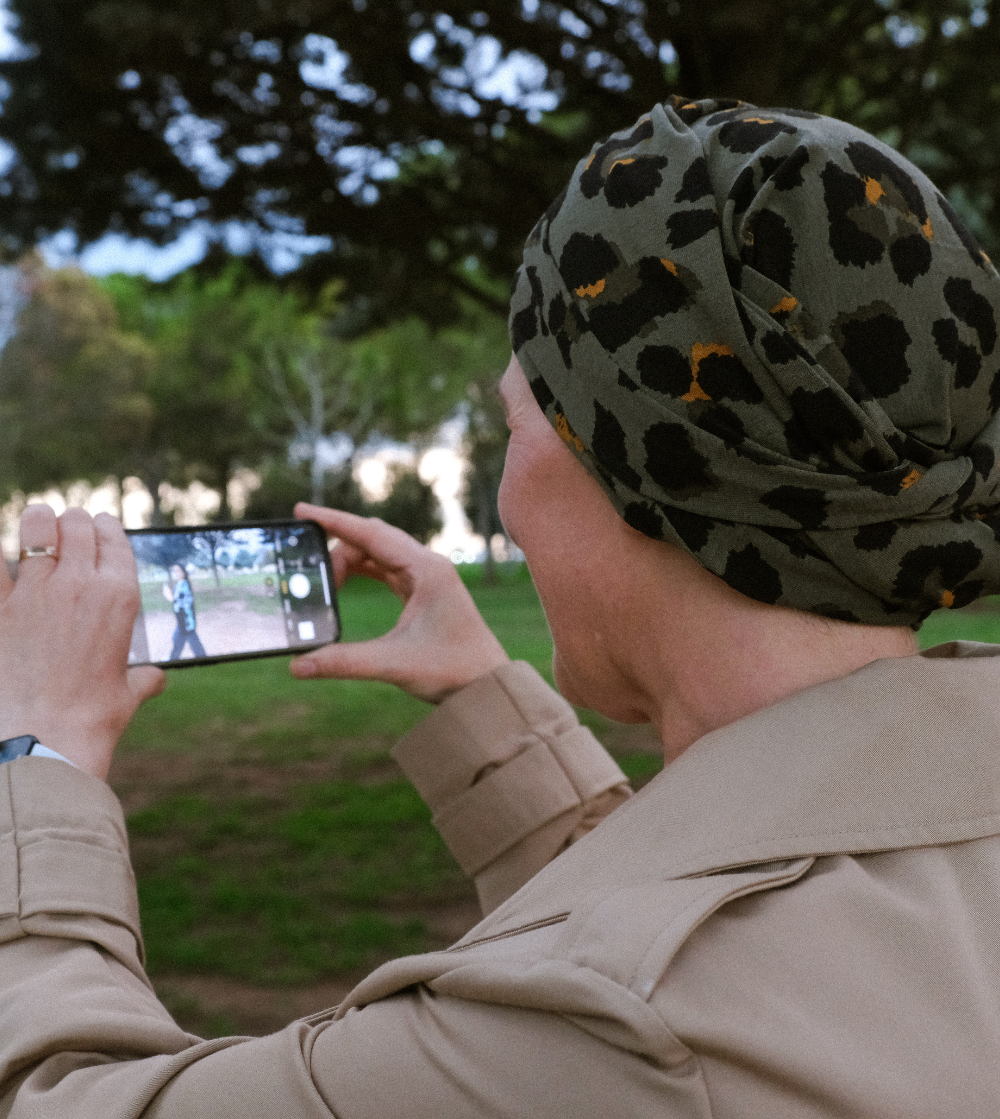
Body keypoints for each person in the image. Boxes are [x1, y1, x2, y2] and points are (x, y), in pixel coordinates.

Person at [0, 95, 998, 1115]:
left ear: (644, 476)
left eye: (515, 426)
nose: (507, 501)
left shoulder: (618, 1030)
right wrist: (483, 699)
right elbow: (719, 900)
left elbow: (53, 1100)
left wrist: (39, 750)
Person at [162, 562, 207, 660]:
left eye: (178, 571)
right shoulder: (179, 584)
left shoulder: (184, 585)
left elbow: (174, 599)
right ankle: (173, 658)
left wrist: (167, 593)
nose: (176, 573)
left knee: (192, 642)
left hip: (186, 620)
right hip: (182, 619)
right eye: (174, 571)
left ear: (183, 572)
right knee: (178, 638)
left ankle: (203, 660)